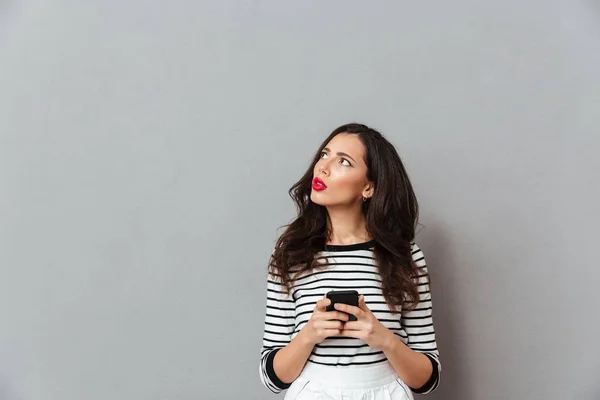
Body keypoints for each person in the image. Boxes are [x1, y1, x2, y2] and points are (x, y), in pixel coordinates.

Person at [259, 123, 441, 400]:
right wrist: (309, 334)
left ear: (368, 187)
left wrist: (384, 339)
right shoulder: (290, 255)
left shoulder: (405, 256)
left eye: (343, 161)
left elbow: (427, 380)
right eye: (324, 155)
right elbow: (272, 378)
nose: (323, 168)